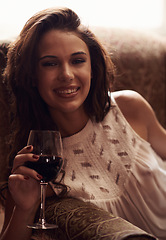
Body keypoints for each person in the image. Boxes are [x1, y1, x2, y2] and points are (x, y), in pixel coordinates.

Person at [0, 7, 166, 240]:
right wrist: (25, 209)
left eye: (78, 60)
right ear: (31, 76)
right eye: (50, 63)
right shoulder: (33, 164)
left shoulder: (131, 107)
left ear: (92, 68)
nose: (67, 74)